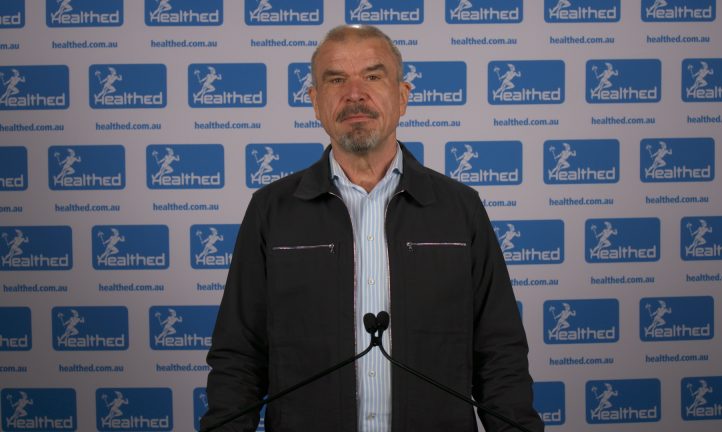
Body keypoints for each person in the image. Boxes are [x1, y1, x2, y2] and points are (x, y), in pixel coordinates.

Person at [201, 25, 543, 432]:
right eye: (336, 80)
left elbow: (500, 353)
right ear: (315, 102)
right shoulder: (271, 211)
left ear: (402, 96)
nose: (354, 94)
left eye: (373, 76)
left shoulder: (460, 208)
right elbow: (238, 356)